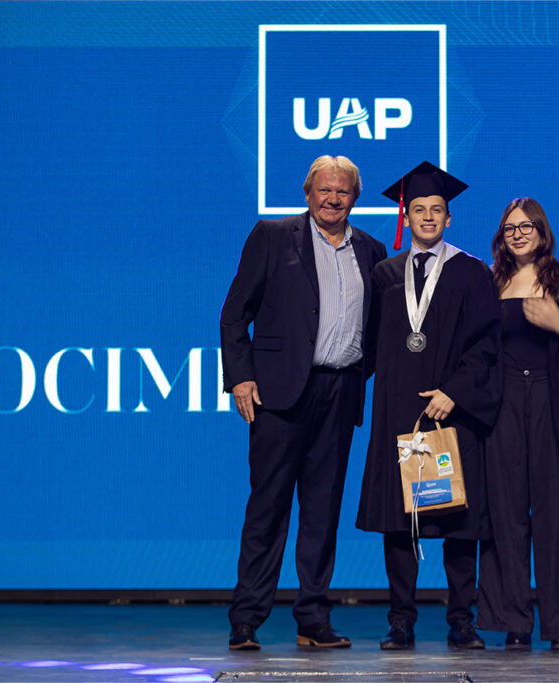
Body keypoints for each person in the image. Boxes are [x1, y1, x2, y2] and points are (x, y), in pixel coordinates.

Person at [219, 155, 387, 650]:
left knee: (322, 512)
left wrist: (354, 372)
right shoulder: (273, 236)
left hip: (339, 393)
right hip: (279, 395)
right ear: (307, 193)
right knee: (268, 508)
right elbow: (234, 314)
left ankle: (313, 619)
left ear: (355, 198)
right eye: (324, 190)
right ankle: (246, 619)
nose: (333, 199)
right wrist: (241, 378)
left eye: (342, 191)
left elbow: (377, 329)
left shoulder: (371, 250)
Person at [356, 161, 501, 651]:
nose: (428, 217)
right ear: (406, 216)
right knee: (401, 524)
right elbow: (368, 345)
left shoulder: (472, 272)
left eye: (437, 209)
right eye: (418, 209)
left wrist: (454, 391)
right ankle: (401, 621)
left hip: (453, 414)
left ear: (448, 218)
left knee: (460, 521)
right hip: (398, 414)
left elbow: (486, 344)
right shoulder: (385, 274)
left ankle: (462, 620)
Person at [475, 197, 559, 652]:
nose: (519, 234)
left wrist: (557, 321)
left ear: (542, 231)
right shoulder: (488, 282)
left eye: (527, 226)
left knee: (557, 516)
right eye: (510, 228)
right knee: (505, 515)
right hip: (503, 402)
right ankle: (513, 621)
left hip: (553, 400)